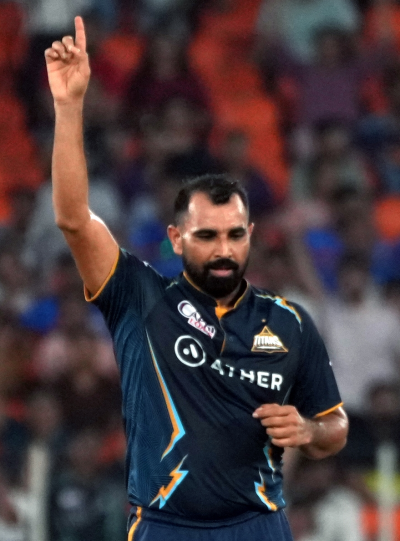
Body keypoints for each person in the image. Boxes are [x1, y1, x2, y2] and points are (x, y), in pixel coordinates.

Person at [44, 17, 348, 541]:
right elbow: (73, 219)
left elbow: (335, 425)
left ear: (251, 235)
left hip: (259, 525)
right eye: (207, 236)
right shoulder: (138, 297)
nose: (224, 250)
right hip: (165, 525)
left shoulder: (290, 322)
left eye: (235, 235)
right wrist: (69, 107)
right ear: (177, 238)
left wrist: (309, 429)